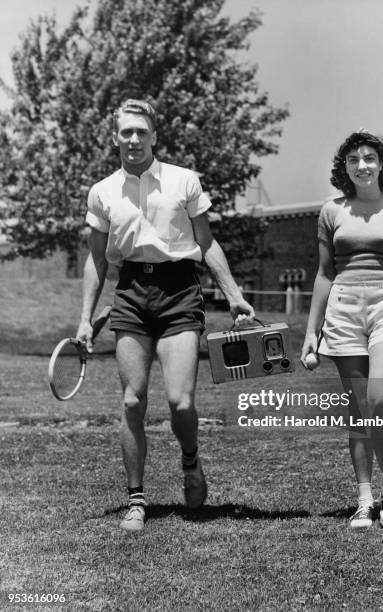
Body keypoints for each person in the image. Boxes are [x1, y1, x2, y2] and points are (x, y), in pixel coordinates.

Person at [76, 99, 254, 532]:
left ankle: (190, 462)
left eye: (141, 132)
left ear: (154, 136)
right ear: (115, 137)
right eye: (125, 132)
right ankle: (137, 499)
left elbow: (207, 243)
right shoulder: (102, 192)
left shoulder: (184, 181)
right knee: (133, 400)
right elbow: (97, 260)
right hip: (132, 293)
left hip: (179, 291)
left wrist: (233, 295)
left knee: (181, 401)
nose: (133, 139)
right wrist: (85, 318)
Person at [300, 130, 383, 529]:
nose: (362, 165)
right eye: (354, 159)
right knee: (359, 411)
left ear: (382, 164)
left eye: (369, 158)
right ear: (344, 167)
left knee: (380, 399)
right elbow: (324, 274)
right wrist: (312, 330)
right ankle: (364, 499)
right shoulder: (331, 211)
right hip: (343, 308)